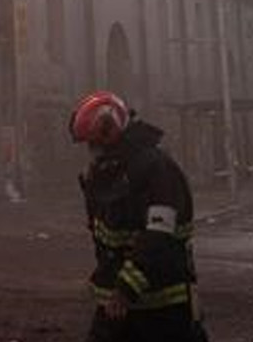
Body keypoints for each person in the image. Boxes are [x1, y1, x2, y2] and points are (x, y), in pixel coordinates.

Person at [71, 90, 206, 342]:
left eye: (94, 144)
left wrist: (126, 288)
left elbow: (159, 235)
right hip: (120, 304)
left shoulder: (157, 170)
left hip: (163, 304)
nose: (92, 152)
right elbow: (107, 239)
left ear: (110, 134)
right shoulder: (113, 173)